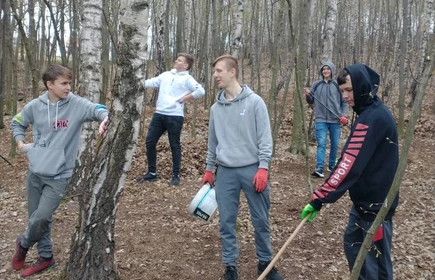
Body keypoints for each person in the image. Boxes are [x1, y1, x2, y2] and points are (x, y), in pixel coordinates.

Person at [300, 63, 399, 280]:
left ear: (363, 86)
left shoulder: (373, 118)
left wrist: (320, 197)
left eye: (349, 90)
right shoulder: (365, 114)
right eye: (342, 91)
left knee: (376, 264)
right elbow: (348, 158)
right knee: (353, 245)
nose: (344, 96)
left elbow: (349, 163)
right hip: (363, 204)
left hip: (376, 209)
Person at [11, 64, 109, 277]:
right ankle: (46, 258)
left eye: (69, 83)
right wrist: (20, 143)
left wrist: (105, 119)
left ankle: (24, 243)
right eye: (64, 83)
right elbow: (17, 122)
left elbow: (97, 109)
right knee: (36, 218)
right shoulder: (35, 106)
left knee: (42, 217)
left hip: (59, 175)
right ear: (50, 84)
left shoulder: (75, 104)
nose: (68, 87)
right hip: (35, 173)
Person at [202, 55, 283, 280]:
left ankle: (266, 264)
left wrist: (263, 167)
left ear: (232, 72)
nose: (215, 75)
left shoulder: (255, 102)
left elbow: (265, 139)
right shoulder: (215, 109)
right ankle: (230, 266)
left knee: (261, 220)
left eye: (219, 71)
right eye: (214, 71)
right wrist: (209, 169)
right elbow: (213, 143)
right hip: (226, 172)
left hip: (253, 170)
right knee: (227, 221)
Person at [136, 53, 205, 186]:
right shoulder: (166, 75)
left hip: (175, 116)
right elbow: (152, 82)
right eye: (176, 59)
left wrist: (184, 98)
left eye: (179, 60)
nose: (176, 61)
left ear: (185, 65)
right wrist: (138, 82)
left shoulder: (187, 79)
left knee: (174, 145)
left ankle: (176, 175)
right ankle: (152, 173)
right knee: (150, 142)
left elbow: (201, 91)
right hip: (159, 114)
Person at [304, 61, 348, 178]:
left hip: (335, 119)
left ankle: (332, 165)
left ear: (332, 70)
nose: (325, 71)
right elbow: (311, 101)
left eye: (328, 69)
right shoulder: (316, 84)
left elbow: (344, 102)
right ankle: (319, 168)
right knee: (321, 143)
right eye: (324, 69)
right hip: (320, 119)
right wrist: (308, 95)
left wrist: (344, 115)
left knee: (334, 144)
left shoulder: (337, 85)